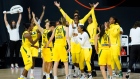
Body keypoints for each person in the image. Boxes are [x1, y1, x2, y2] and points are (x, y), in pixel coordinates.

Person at [32, 12, 54, 79]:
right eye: (46, 22)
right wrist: (33, 17)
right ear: (45, 24)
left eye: (48, 22)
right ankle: (45, 74)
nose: (47, 22)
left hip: (50, 48)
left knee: (50, 63)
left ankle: (49, 73)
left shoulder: (51, 30)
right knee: (44, 62)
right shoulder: (43, 30)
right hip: (44, 48)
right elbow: (37, 24)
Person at [27, 6, 45, 78]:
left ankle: (32, 73)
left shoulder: (38, 26)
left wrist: (43, 10)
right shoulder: (30, 27)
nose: (33, 21)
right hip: (30, 44)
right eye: (32, 20)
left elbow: (41, 17)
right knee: (29, 59)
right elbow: (29, 18)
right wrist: (29, 12)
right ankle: (27, 71)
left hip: (36, 44)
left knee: (33, 59)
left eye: (34, 20)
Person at [86, 2, 99, 77]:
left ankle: (93, 71)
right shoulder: (87, 27)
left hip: (94, 44)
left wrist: (92, 8)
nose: (89, 19)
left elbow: (93, 15)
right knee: (89, 59)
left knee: (91, 58)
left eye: (90, 18)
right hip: (88, 44)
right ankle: (91, 70)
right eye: (88, 19)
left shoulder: (94, 23)